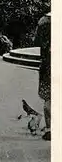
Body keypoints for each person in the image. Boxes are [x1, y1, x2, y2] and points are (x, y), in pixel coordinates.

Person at [34, 12, 51, 141]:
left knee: (49, 97)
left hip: (48, 63)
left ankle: (50, 128)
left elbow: (37, 41)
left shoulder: (44, 21)